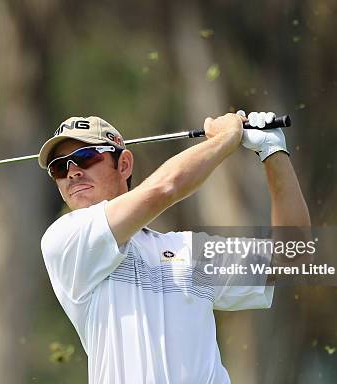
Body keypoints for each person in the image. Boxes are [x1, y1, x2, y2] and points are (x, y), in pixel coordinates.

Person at [38, 111, 310, 383]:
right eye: (59, 168)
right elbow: (164, 189)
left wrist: (273, 152)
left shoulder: (185, 250)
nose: (72, 172)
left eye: (86, 157)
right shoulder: (64, 240)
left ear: (123, 165)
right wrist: (226, 138)